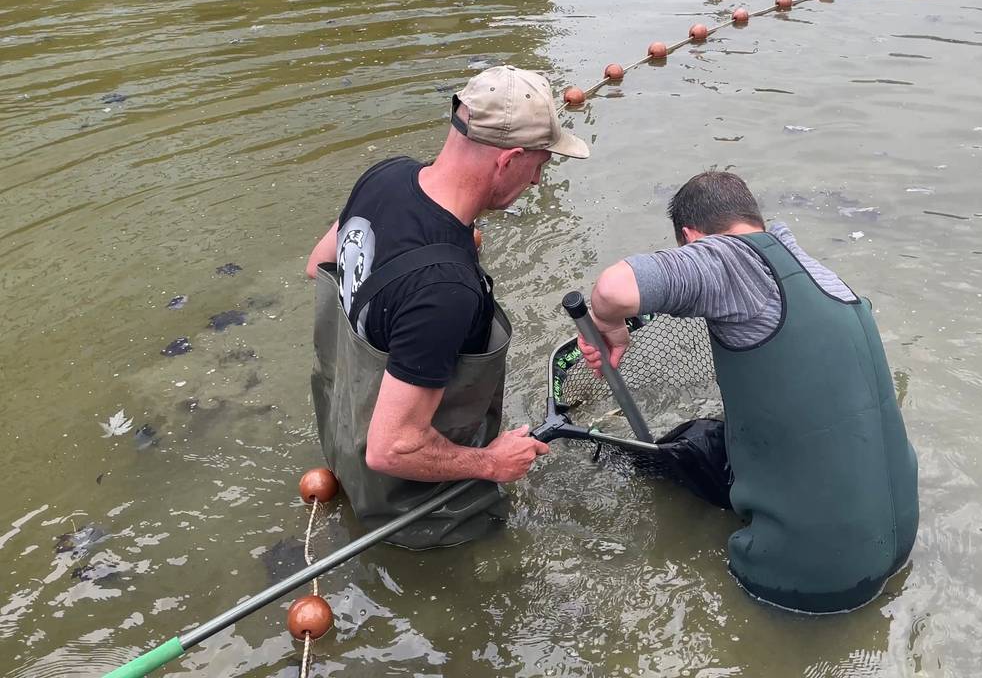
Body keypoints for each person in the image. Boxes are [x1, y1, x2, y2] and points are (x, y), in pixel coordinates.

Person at [578, 171, 919, 613]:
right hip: (899, 537)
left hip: (810, 577)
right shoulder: (821, 273)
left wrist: (609, 328)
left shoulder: (728, 259)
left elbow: (612, 288)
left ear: (691, 237)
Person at [305, 66, 589, 549]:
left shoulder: (386, 176)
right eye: (540, 163)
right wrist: (493, 463)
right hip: (416, 513)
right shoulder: (446, 290)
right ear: (509, 159)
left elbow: (320, 266)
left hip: (341, 446)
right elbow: (392, 449)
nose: (539, 179)